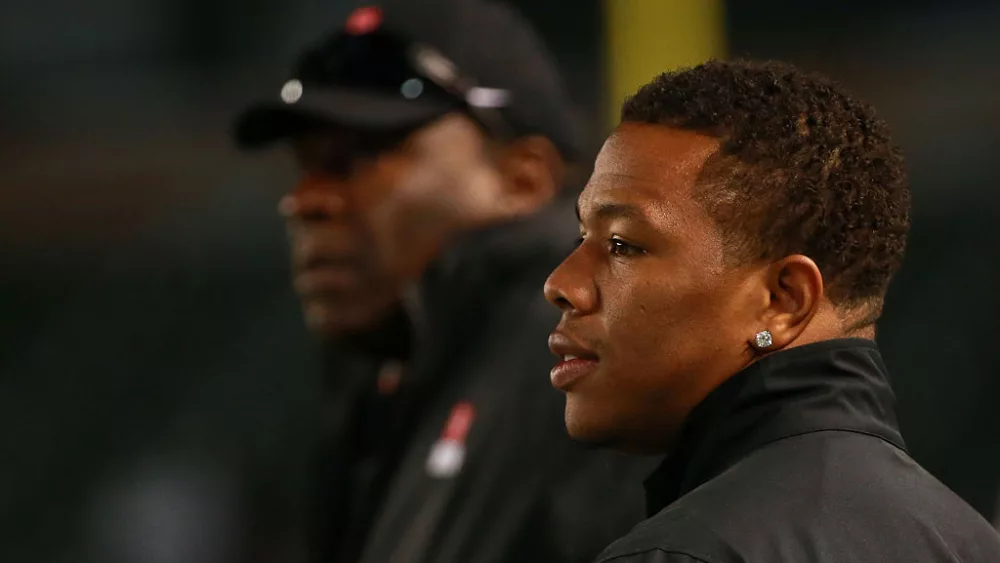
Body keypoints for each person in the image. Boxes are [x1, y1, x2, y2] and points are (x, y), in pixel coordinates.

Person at [233, 1, 650, 562]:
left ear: (522, 178)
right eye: (304, 166)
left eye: (360, 157)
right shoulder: (395, 376)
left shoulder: (584, 360)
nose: (304, 200)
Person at [543, 59, 1000, 563]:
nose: (561, 284)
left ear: (784, 301)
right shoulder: (970, 542)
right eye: (579, 238)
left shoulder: (685, 553)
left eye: (622, 244)